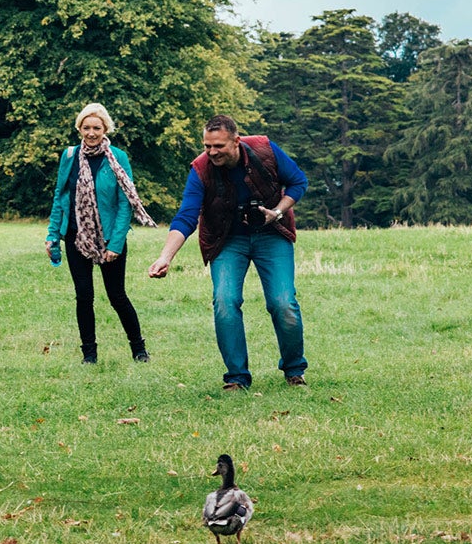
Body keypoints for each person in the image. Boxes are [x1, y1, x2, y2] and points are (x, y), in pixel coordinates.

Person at [147, 115, 309, 391]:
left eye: (218, 146)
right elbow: (186, 216)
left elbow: (298, 182)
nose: (212, 152)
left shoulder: (265, 150)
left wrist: (277, 212)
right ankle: (236, 377)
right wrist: (165, 257)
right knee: (225, 301)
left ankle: (294, 370)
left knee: (283, 302)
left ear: (236, 141)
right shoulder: (200, 169)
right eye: (207, 146)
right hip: (227, 239)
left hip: (271, 233)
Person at [45, 103, 156, 365]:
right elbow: (60, 196)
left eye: (96, 127)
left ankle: (139, 350)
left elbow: (125, 203)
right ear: (79, 129)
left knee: (117, 296)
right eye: (86, 127)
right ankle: (89, 355)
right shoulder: (69, 156)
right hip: (77, 236)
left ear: (105, 128)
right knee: (84, 296)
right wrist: (52, 235)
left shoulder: (118, 157)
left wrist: (115, 244)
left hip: (109, 238)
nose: (91, 133)